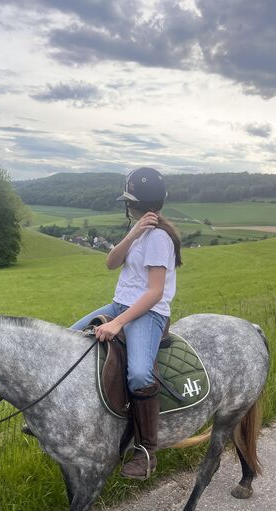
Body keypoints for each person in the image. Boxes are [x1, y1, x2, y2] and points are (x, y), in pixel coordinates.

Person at [71, 167, 182, 479]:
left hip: (148, 313)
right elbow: (110, 263)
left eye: (129, 201)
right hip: (120, 304)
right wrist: (132, 234)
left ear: (137, 204)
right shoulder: (141, 232)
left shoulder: (159, 238)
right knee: (70, 337)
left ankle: (146, 450)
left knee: (139, 373)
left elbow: (155, 292)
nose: (127, 206)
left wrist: (118, 323)